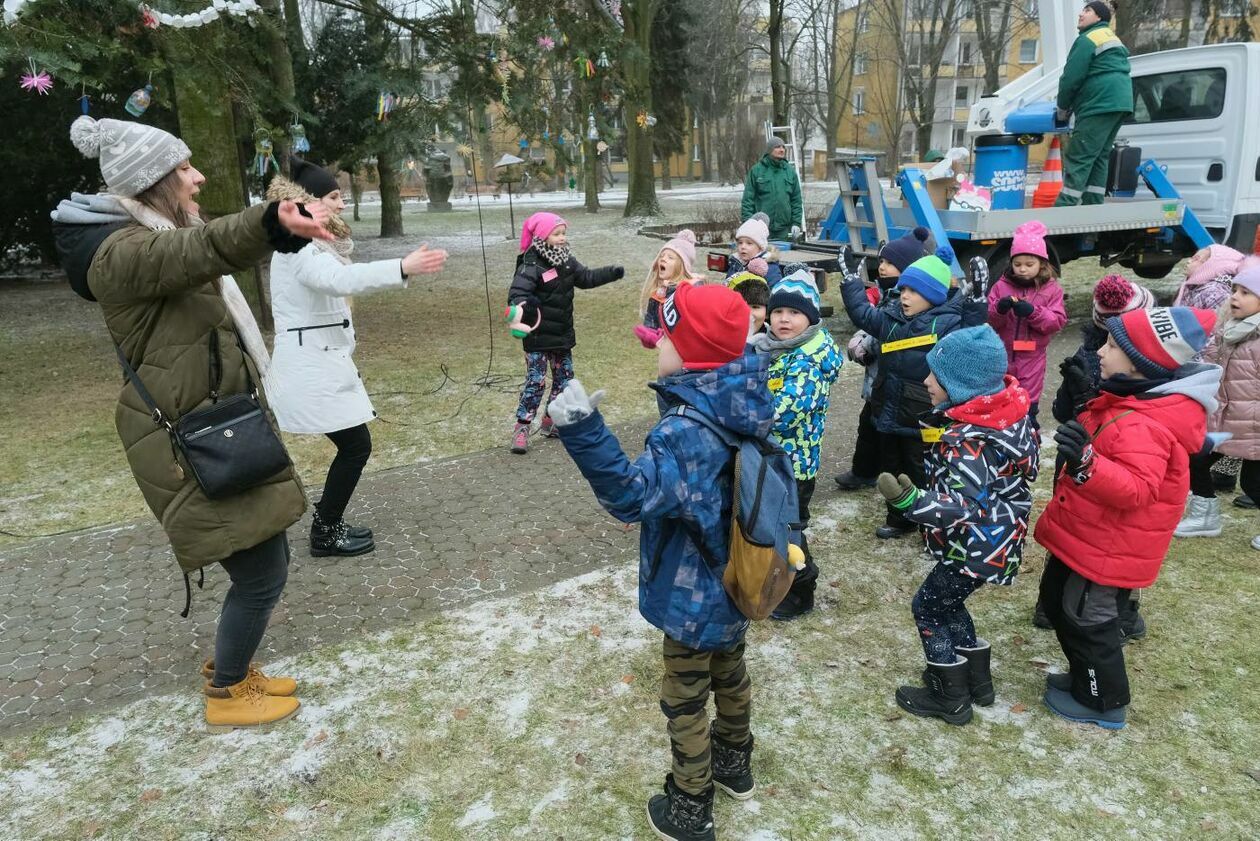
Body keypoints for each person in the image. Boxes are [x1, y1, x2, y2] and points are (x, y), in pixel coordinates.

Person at [52, 115, 334, 730]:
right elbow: (197, 251)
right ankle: (229, 690)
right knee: (261, 574)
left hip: (217, 422)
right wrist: (270, 221)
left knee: (265, 558)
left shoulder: (149, 235)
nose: (198, 176)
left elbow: (197, 249)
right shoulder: (121, 253)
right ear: (152, 181)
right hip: (190, 440)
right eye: (184, 168)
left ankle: (234, 669)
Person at [547, 283, 767, 841]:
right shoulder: (742, 391)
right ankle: (736, 763)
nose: (657, 343)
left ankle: (691, 803)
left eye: (665, 334)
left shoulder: (685, 433)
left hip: (693, 593)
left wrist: (582, 427)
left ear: (690, 351)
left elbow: (629, 496)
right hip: (740, 574)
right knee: (731, 669)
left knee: (685, 697)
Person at [1036, 307, 1221, 729]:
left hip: (1110, 546)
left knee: (1089, 621)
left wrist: (1084, 463)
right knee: (1061, 605)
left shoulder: (1147, 423)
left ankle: (1105, 703)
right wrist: (1084, 403)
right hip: (1091, 534)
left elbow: (1136, 487)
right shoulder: (1132, 398)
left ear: (1143, 364)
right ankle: (1085, 679)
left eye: (1113, 346)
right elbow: (1107, 435)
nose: (1101, 352)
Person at [265, 158, 448, 557]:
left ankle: (327, 524)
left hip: (323, 360)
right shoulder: (298, 248)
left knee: (355, 445)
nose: (341, 205)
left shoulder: (311, 245)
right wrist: (402, 267)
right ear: (307, 201)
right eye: (333, 197)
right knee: (356, 446)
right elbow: (340, 282)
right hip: (309, 367)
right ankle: (325, 531)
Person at [879, 326, 1037, 725]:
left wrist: (910, 502)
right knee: (949, 602)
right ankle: (976, 683)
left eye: (937, 376)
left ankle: (947, 695)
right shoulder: (1006, 417)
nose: (927, 381)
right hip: (998, 539)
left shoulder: (969, 441)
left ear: (962, 386)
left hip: (974, 543)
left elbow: (961, 506)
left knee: (928, 608)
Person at [840, 247, 969, 539]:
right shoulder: (891, 317)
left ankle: (930, 523)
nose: (905, 296)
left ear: (934, 295)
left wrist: (976, 305)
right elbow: (862, 314)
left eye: (913, 291)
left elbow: (972, 335)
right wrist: (851, 282)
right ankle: (899, 518)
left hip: (920, 415)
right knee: (891, 467)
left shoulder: (947, 323)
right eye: (903, 289)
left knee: (921, 470)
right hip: (889, 408)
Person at [750, 270, 842, 620]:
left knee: (789, 532)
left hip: (793, 467)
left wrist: (744, 410)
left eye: (794, 313)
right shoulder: (775, 348)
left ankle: (802, 589)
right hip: (770, 460)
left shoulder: (808, 359)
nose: (784, 319)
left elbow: (785, 413)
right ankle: (773, 579)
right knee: (770, 527)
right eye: (777, 312)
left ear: (811, 319)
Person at [506, 212, 623, 454]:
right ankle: (522, 426)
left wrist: (611, 272)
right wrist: (523, 306)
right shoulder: (531, 264)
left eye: (563, 233)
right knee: (536, 383)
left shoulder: (567, 261)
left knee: (564, 380)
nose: (562, 238)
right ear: (542, 236)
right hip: (537, 337)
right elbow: (517, 294)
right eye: (557, 233)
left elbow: (587, 277)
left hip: (561, 335)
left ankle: (550, 420)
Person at [835, 227, 931, 491]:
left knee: (886, 434)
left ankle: (892, 482)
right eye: (883, 261)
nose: (883, 267)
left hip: (893, 385)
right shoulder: (887, 293)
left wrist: (863, 344)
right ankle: (864, 471)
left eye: (891, 263)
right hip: (879, 383)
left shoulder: (904, 300)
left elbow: (883, 330)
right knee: (868, 427)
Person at [1175, 260, 1260, 544]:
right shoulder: (1227, 330)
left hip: (1254, 426)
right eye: (1235, 290)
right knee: (1194, 457)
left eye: (1246, 292)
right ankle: (1205, 515)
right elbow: (1210, 368)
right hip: (1224, 418)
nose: (1235, 297)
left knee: (1253, 483)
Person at [986, 221, 1068, 429]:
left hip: (1031, 360)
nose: (1022, 269)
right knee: (1001, 404)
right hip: (1002, 356)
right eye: (1017, 264)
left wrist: (1033, 312)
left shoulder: (1051, 289)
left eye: (1029, 264)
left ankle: (1029, 437)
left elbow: (1056, 321)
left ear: (1041, 263)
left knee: (1027, 405)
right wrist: (1000, 310)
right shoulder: (1001, 286)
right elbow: (989, 320)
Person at [1054, 2, 1133, 207]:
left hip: (1099, 103)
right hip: (1120, 102)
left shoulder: (1088, 39)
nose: (1081, 14)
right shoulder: (1111, 37)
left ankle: (1063, 210)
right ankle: (1093, 206)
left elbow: (1071, 77)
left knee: (1079, 155)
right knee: (1099, 156)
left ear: (1099, 17)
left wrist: (1062, 109)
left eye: (1088, 11)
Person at [740, 137, 803, 241]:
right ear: (769, 150)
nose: (782, 149)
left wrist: (796, 223)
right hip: (761, 229)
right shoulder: (757, 171)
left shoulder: (790, 172)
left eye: (783, 147)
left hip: (784, 230)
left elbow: (796, 200)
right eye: (777, 147)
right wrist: (748, 223)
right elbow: (748, 199)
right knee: (762, 257)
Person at [641, 229, 703, 331]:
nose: (663, 259)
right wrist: (649, 333)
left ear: (682, 266)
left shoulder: (691, 293)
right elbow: (651, 319)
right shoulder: (660, 291)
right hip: (664, 345)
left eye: (670, 257)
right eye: (661, 256)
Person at [727, 271, 770, 338]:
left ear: (767, 312)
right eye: (741, 306)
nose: (748, 314)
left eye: (755, 307)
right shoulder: (718, 341)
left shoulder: (776, 344)